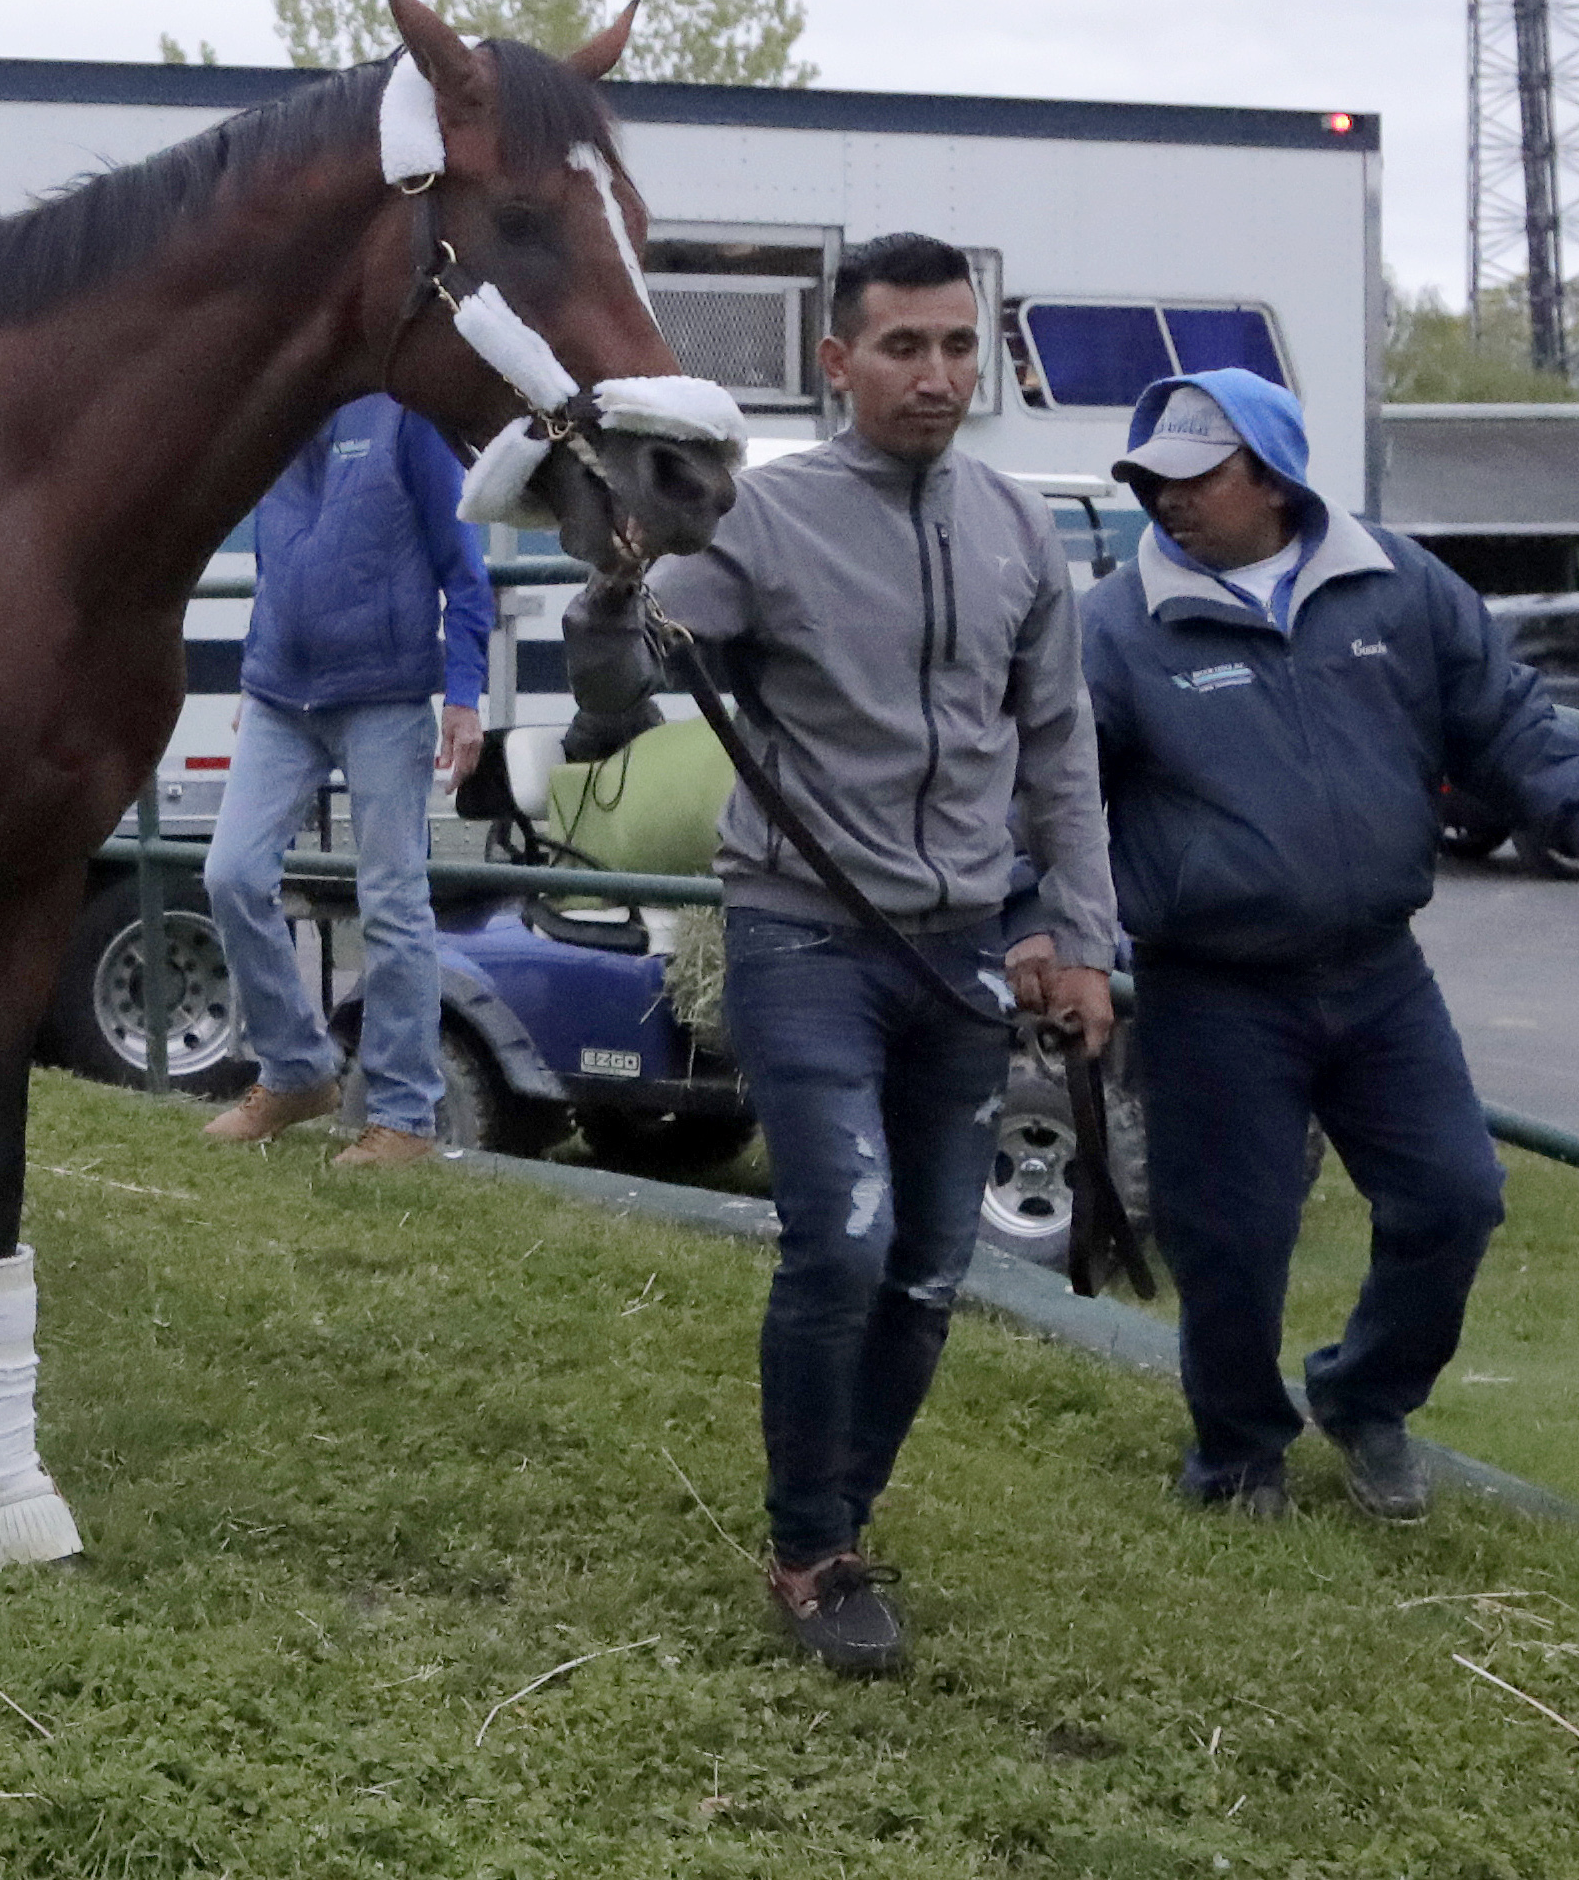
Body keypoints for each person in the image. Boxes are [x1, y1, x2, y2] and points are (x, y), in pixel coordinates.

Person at [564, 232, 1117, 1673]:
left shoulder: (1017, 526)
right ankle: (812, 1549)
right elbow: (624, 689)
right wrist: (612, 590)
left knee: (933, 1264)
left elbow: (1060, 755)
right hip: (804, 940)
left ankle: (838, 1514)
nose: (936, 374)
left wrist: (1078, 935)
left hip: (967, 952)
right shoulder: (760, 519)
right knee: (846, 1237)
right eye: (901, 347)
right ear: (836, 361)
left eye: (956, 344)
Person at [1081, 369, 1579, 1522]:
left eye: (1195, 478)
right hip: (1212, 988)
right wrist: (1046, 931)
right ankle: (1240, 1454)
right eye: (1150, 481)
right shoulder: (1114, 625)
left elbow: (1507, 723)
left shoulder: (1398, 585)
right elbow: (1052, 800)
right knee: (1232, 1238)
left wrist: (1565, 802)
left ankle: (1364, 1397)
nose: (1168, 501)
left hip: (1380, 975)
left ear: (1271, 472)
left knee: (1455, 1197)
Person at [199, 394, 492, 1166]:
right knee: (229, 874)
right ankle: (296, 1070)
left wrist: (464, 694)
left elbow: (464, 567)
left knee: (392, 902)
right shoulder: (279, 412)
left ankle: (404, 1120)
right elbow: (276, 555)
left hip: (385, 696)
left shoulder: (406, 417)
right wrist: (253, 668)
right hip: (276, 696)